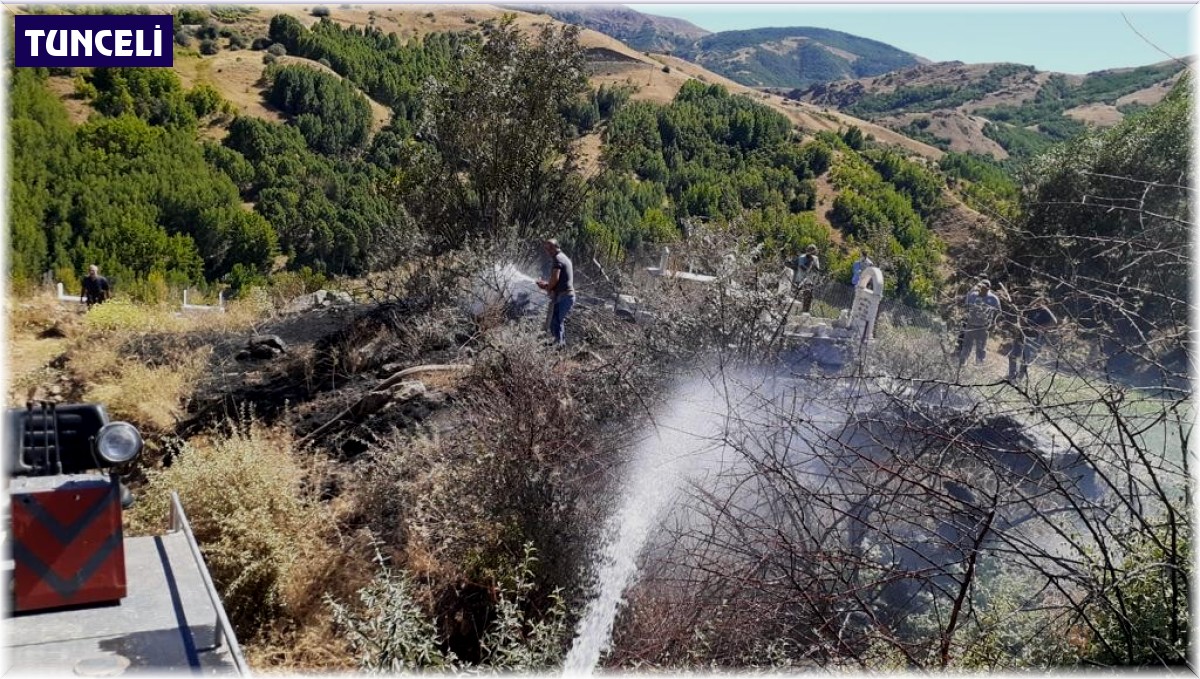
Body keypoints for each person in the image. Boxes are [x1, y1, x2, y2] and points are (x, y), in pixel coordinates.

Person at [536, 239, 575, 347]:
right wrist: (548, 285)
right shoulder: (563, 257)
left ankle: (558, 348)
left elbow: (555, 277)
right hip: (566, 296)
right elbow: (559, 280)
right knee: (557, 322)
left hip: (564, 296)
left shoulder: (557, 259)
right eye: (546, 249)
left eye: (549, 248)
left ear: (555, 247)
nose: (548, 251)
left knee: (555, 322)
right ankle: (560, 347)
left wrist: (548, 287)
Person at [1007, 297, 1058, 380]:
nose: (1039, 303)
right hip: (1022, 334)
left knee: (1025, 358)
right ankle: (1012, 374)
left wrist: (1041, 327)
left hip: (1033, 337)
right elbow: (1021, 313)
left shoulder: (1046, 312)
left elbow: (1054, 322)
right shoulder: (1031, 309)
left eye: (1042, 302)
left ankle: (1020, 377)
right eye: (1038, 301)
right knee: (1012, 355)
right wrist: (1022, 324)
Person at [959, 279, 1001, 366]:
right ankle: (962, 363)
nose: (982, 289)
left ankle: (979, 365)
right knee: (966, 346)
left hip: (983, 328)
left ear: (989, 288)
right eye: (981, 286)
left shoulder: (993, 299)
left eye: (985, 287)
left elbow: (999, 313)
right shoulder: (972, 295)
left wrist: (994, 324)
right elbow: (966, 308)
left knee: (981, 349)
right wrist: (965, 318)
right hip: (970, 326)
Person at [792, 244, 821, 313]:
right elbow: (803, 268)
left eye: (813, 252)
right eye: (810, 251)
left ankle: (805, 312)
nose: (812, 253)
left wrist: (813, 265)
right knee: (797, 296)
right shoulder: (802, 257)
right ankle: (794, 311)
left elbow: (817, 269)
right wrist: (810, 263)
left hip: (809, 281)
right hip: (800, 279)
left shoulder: (815, 259)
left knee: (808, 297)